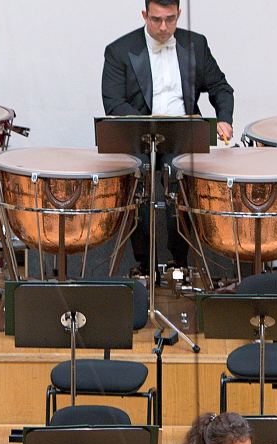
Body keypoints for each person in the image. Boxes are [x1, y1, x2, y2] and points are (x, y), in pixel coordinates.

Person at [100, 0, 234, 272]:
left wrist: (224, 119)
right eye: (156, 19)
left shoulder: (196, 44)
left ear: (179, 14)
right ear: (144, 15)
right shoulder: (119, 50)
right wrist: (151, 124)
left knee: (180, 179)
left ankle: (179, 263)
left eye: (170, 19)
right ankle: (145, 265)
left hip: (181, 134)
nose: (163, 27)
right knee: (138, 180)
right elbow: (113, 104)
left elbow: (221, 87)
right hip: (138, 134)